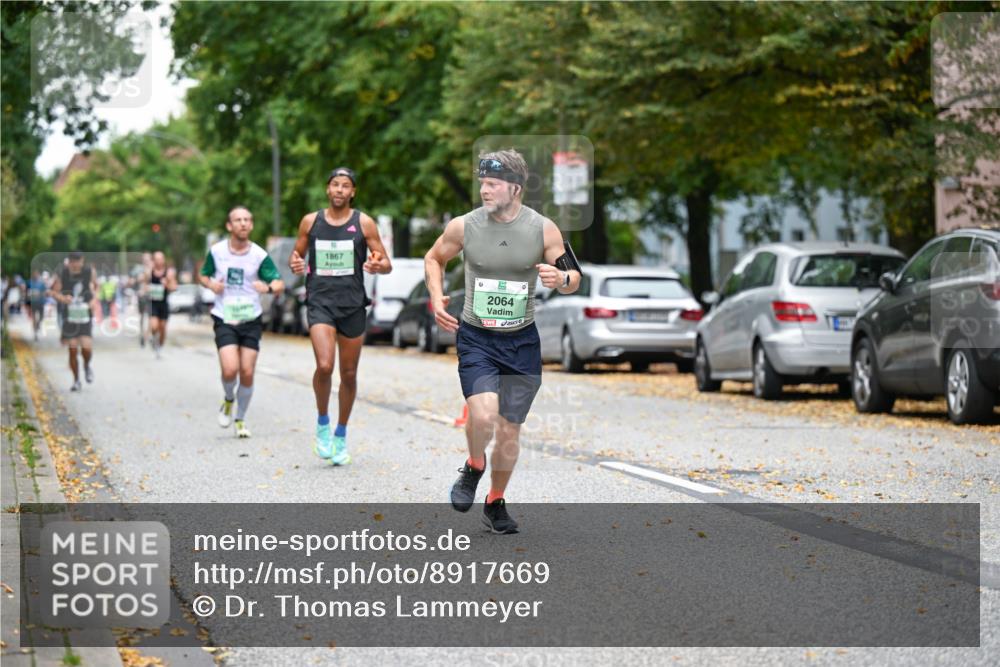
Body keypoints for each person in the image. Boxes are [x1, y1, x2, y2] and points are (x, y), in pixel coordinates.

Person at [424, 149, 581, 534]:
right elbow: (433, 258)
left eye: (492, 184)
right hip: (477, 337)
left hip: (521, 341)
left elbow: (574, 276)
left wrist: (560, 280)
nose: (484, 190)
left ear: (515, 187)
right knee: (482, 414)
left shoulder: (544, 229)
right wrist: (435, 296)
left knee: (510, 430)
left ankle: (495, 502)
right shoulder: (464, 226)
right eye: (482, 183)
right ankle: (474, 464)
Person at [290, 167, 392, 465]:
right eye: (335, 184)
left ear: (352, 192)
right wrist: (296, 265)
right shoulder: (311, 222)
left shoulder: (364, 223)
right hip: (320, 302)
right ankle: (322, 423)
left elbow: (385, 262)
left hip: (352, 305)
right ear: (327, 189)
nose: (339, 190)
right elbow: (295, 256)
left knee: (348, 374)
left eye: (345, 186)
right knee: (324, 366)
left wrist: (377, 265)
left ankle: (341, 433)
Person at [200, 206, 284, 439]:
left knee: (247, 371)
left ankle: (240, 418)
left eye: (247, 219)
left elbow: (278, 283)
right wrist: (211, 285)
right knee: (230, 369)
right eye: (238, 220)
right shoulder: (217, 252)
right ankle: (228, 399)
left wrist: (266, 287)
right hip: (224, 316)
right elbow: (203, 274)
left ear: (252, 225)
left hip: (251, 318)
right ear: (229, 226)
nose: (243, 223)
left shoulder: (258, 255)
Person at [48, 252, 99, 391]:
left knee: (87, 347)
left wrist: (93, 301)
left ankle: (87, 365)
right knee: (72, 349)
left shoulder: (89, 272)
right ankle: (76, 380)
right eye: (73, 262)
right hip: (69, 316)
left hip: (84, 314)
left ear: (82, 261)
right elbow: (52, 292)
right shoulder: (63, 273)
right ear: (69, 262)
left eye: (78, 262)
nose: (76, 265)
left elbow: (96, 288)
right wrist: (64, 299)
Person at [145, 251, 177, 358]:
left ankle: (160, 347)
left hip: (164, 304)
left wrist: (167, 284)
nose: (159, 261)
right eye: (156, 259)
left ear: (163, 260)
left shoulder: (169, 273)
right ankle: (154, 337)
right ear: (153, 260)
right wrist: (146, 289)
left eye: (161, 259)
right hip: (153, 303)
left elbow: (174, 287)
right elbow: (144, 285)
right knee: (154, 326)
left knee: (162, 327)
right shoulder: (150, 272)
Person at [27, 271, 47, 341]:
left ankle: (38, 325)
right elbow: (27, 292)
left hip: (40, 302)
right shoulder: (29, 282)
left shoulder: (41, 283)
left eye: (36, 273)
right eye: (34, 273)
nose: (35, 275)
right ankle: (35, 333)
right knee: (34, 318)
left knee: (41, 317)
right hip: (33, 303)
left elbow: (45, 292)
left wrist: (41, 295)